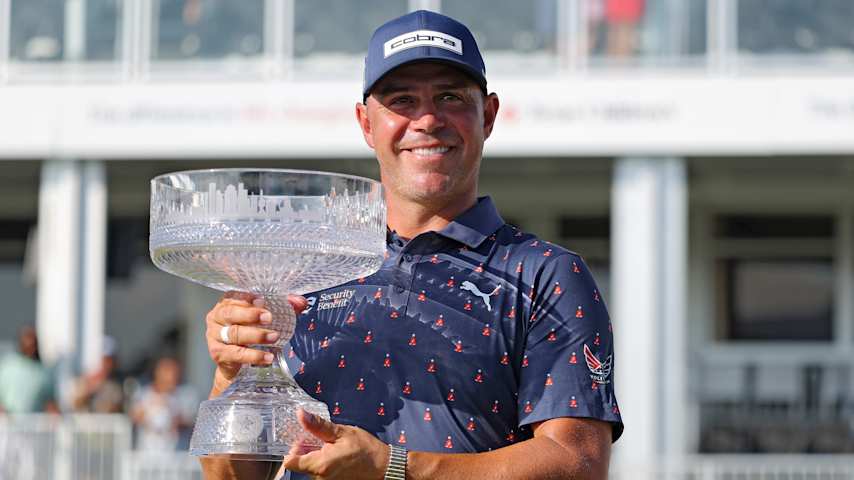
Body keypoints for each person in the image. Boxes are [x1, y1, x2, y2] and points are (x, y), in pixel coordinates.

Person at [201, 10, 622, 480]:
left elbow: (578, 463)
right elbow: (232, 476)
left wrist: (393, 467)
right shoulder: (305, 270)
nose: (426, 119)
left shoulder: (545, 274)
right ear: (366, 123)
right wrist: (231, 376)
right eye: (402, 100)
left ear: (488, 115)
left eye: (449, 97)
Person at [130, 356, 198, 451]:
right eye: (167, 371)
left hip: (178, 454)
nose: (172, 376)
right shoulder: (143, 393)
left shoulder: (187, 394)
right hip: (147, 452)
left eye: (175, 371)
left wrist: (173, 416)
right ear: (157, 372)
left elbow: (192, 423)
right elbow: (134, 417)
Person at [0, 326, 58, 414]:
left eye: (33, 342)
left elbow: (50, 402)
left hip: (33, 425)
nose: (30, 344)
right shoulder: (7, 365)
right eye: (27, 340)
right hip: (7, 425)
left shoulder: (44, 372)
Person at [71, 336, 125, 413]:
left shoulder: (120, 382)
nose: (107, 364)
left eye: (110, 360)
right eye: (105, 360)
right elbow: (74, 404)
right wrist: (90, 390)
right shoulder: (85, 380)